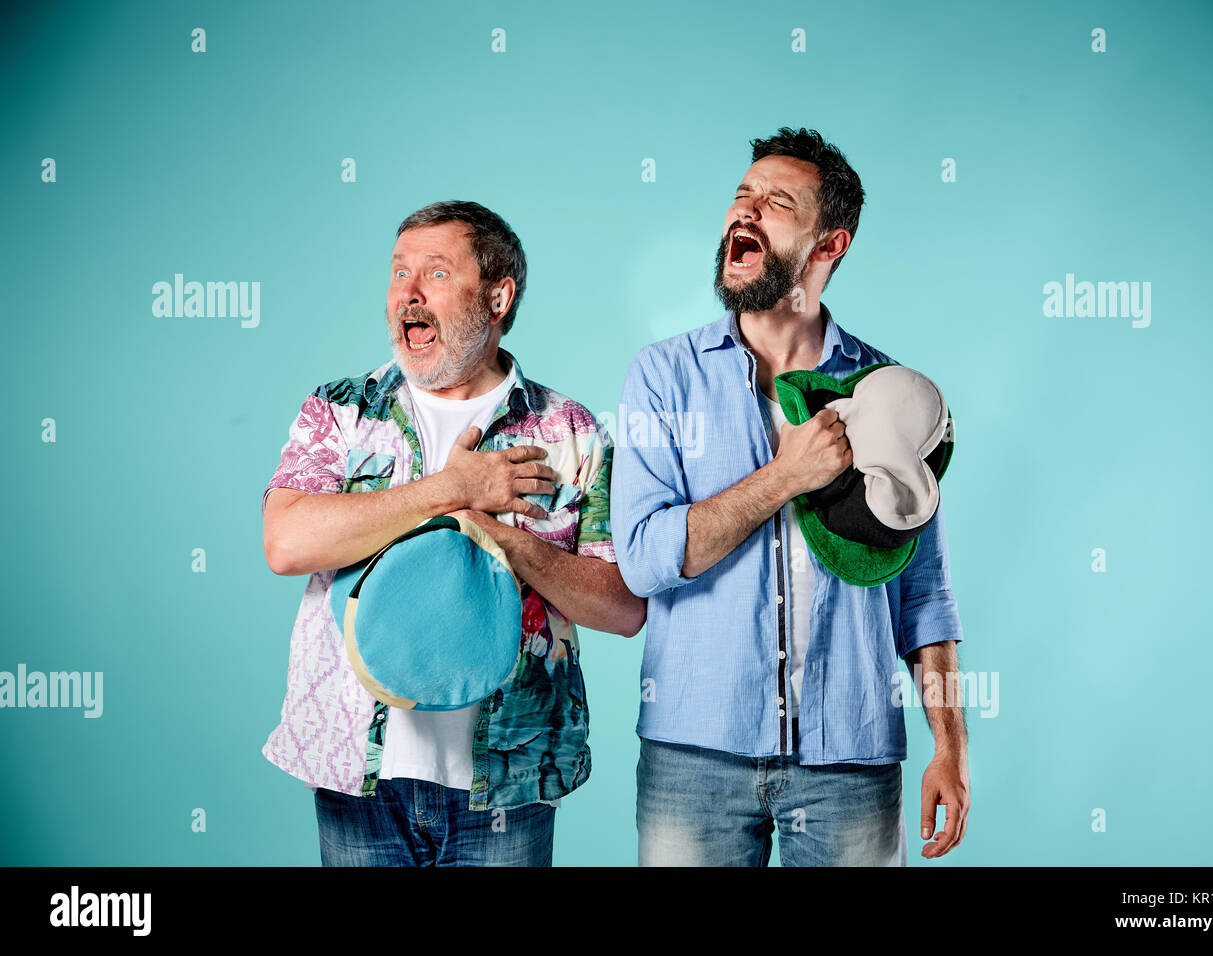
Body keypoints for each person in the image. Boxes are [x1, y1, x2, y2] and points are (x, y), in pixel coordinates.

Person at [610, 128, 970, 866]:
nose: (746, 212)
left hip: (853, 758)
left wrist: (951, 747)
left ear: (829, 244)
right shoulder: (662, 377)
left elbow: (924, 593)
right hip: (693, 757)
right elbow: (644, 563)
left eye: (776, 204)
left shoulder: (889, 390)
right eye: (742, 196)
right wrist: (786, 476)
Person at [261, 200, 645, 866]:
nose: (407, 292)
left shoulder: (570, 430)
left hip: (507, 784)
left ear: (497, 297)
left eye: (435, 274)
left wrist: (507, 542)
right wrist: (450, 491)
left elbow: (622, 607)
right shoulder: (342, 410)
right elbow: (286, 544)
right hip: (359, 775)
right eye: (398, 272)